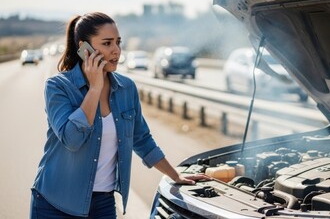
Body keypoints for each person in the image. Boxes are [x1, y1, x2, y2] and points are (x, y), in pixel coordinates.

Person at [30, 12, 208, 218]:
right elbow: (72, 139)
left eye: (118, 42)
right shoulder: (57, 87)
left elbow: (142, 139)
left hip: (103, 204)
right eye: (107, 43)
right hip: (55, 204)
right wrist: (94, 89)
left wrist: (175, 175)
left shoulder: (126, 88)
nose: (116, 50)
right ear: (84, 49)